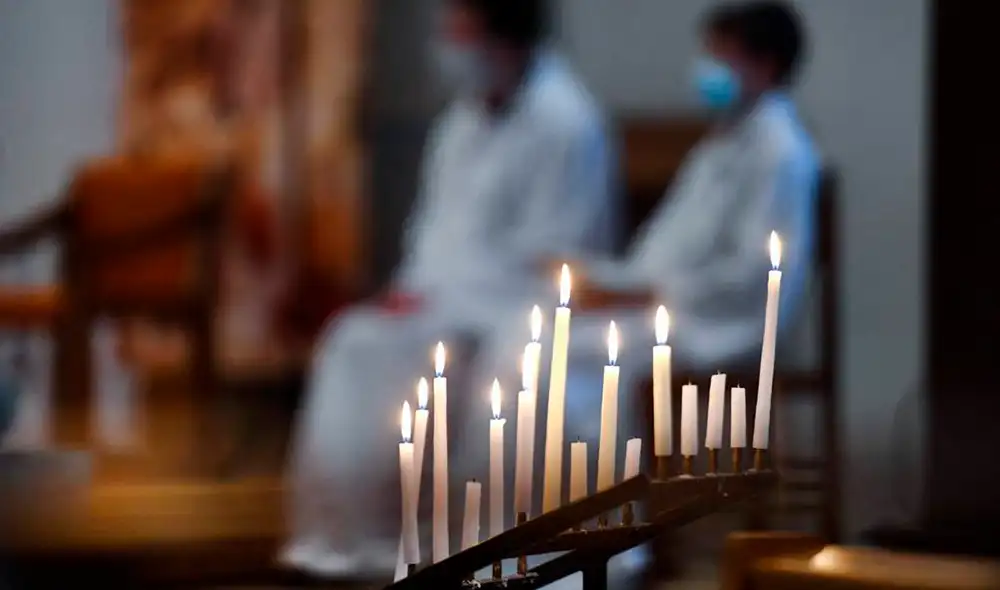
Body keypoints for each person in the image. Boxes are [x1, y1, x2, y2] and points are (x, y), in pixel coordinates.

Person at [473, 2, 818, 579]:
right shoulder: (722, 144)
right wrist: (601, 281)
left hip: (718, 321)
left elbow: (753, 275)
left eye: (721, 56)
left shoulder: (780, 151)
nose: (707, 68)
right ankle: (521, 532)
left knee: (576, 365)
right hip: (664, 303)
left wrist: (639, 296)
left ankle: (603, 543)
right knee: (524, 334)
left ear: (764, 63)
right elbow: (662, 249)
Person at [282, 0, 617, 578]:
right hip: (448, 298)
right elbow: (433, 232)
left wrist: (451, 298)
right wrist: (413, 291)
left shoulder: (566, 122)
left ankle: (489, 554)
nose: (447, 44)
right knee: (356, 342)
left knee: (515, 377)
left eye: (459, 28)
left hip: (520, 304)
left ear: (500, 36)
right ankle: (353, 544)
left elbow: (559, 251)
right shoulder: (459, 121)